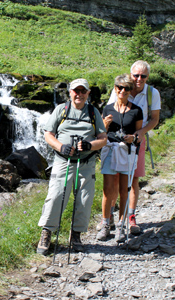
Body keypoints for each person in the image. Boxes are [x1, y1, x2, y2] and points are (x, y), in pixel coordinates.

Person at [37, 78, 107, 255]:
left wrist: (91, 145)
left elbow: (103, 138)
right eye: (76, 91)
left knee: (84, 199)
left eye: (83, 91)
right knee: (55, 196)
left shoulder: (93, 112)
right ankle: (46, 233)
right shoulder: (61, 110)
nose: (80, 94)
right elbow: (48, 134)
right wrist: (61, 146)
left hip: (86, 163)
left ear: (88, 94)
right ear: (70, 92)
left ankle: (76, 235)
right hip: (63, 161)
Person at [97, 60, 161, 235]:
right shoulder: (120, 87)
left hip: (136, 141)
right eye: (136, 75)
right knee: (113, 180)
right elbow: (109, 113)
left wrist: (140, 133)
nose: (139, 79)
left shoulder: (152, 93)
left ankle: (130, 218)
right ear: (130, 75)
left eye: (143, 76)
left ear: (147, 77)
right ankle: (109, 217)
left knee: (132, 180)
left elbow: (155, 118)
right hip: (114, 144)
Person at [96, 74, 143, 242]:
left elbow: (139, 135)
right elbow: (101, 132)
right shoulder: (108, 108)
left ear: (130, 91)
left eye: (127, 88)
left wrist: (134, 139)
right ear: (114, 89)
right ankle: (105, 224)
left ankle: (122, 225)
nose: (122, 91)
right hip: (110, 150)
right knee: (107, 190)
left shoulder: (137, 111)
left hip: (127, 152)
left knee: (125, 190)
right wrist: (105, 124)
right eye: (119, 87)